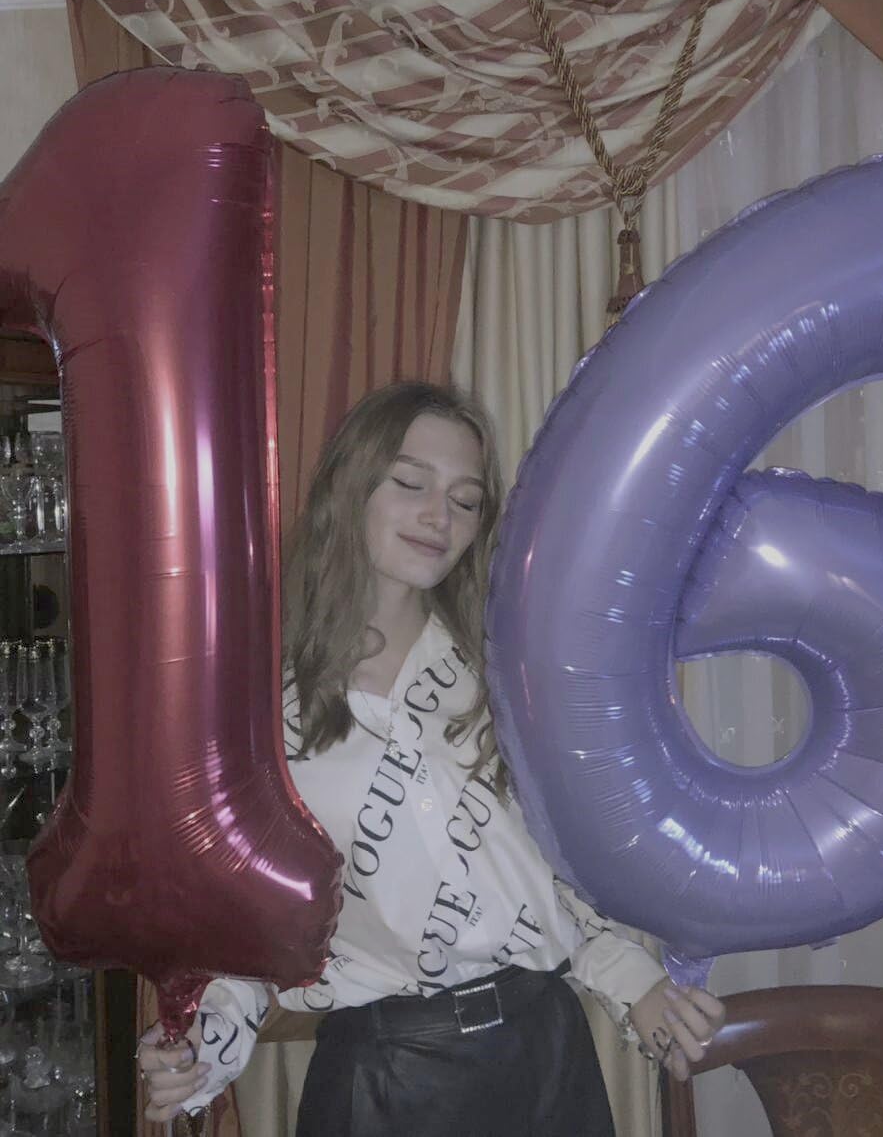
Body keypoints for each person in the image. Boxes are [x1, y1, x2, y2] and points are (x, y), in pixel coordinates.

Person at [138, 382, 725, 1135]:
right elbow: (245, 924)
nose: (439, 517)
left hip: (547, 1056)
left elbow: (560, 868)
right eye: (411, 483)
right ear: (350, 487)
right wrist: (201, 1047)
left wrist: (636, 984)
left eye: (465, 499)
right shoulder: (253, 706)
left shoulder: (508, 669)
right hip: (381, 1081)